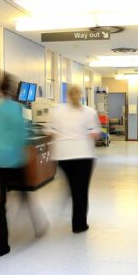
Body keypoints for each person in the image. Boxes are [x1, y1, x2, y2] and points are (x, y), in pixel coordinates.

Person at [0, 72, 48, 258]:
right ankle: (38, 226)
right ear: (12, 90)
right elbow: (21, 134)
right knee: (25, 194)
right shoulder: (15, 108)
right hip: (14, 160)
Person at [49, 85, 101, 233]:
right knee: (81, 191)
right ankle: (79, 225)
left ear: (67, 95)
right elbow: (96, 134)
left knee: (74, 188)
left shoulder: (57, 110)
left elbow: (51, 131)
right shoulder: (89, 111)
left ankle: (71, 198)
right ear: (81, 95)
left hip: (64, 156)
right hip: (83, 155)